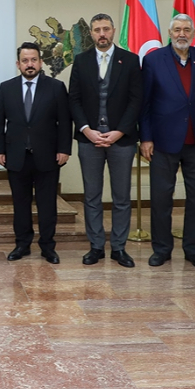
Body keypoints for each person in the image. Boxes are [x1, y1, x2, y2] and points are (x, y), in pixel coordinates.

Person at [140, 13, 195, 269]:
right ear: (169, 33)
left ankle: (194, 250)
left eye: (186, 29)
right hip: (163, 142)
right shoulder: (153, 60)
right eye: (177, 29)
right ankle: (161, 249)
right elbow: (145, 103)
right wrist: (146, 138)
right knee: (161, 199)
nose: (181, 34)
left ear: (193, 33)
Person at [68, 13, 142, 266]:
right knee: (92, 196)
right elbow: (74, 99)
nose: (102, 34)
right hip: (89, 140)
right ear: (91, 33)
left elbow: (136, 100)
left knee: (121, 197)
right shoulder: (81, 61)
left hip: (121, 140)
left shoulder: (130, 60)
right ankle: (96, 246)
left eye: (106, 29)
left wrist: (119, 131)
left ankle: (119, 248)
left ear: (113, 31)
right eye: (97, 29)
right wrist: (86, 130)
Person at [0, 42, 71, 264]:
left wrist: (64, 149)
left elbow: (65, 122)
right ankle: (22, 244)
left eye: (34, 60)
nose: (30, 64)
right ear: (18, 64)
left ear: (41, 62)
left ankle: (48, 246)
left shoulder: (56, 87)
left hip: (48, 156)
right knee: (20, 204)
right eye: (25, 60)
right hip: (16, 156)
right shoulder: (6, 88)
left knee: (47, 205)